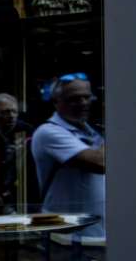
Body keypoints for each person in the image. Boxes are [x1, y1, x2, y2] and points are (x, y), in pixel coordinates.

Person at [31, 73, 105, 239]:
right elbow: (101, 163)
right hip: (68, 237)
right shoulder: (48, 132)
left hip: (96, 231)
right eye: (74, 99)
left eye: (87, 97)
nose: (83, 103)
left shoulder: (90, 129)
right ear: (56, 102)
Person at [0, 93, 34, 214]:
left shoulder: (27, 132)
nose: (11, 116)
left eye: (14, 111)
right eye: (5, 112)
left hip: (20, 195)